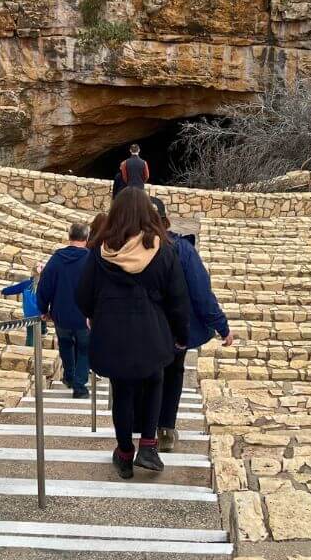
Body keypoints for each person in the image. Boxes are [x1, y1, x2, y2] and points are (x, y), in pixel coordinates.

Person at [76, 188, 189, 479]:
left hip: (113, 335)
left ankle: (125, 453)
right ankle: (148, 446)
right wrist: (181, 334)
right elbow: (177, 298)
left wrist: (95, 314)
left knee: (122, 392)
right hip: (153, 333)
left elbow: (83, 295)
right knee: (155, 382)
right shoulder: (163, 250)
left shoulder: (101, 252)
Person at [153, 203, 234, 452]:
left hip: (141, 327)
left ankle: (142, 426)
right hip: (176, 328)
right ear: (165, 221)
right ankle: (165, 428)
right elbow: (201, 292)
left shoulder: (124, 248)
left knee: (147, 374)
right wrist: (221, 326)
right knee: (173, 373)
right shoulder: (182, 250)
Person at [37, 222, 91, 399]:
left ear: (69, 236)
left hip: (61, 314)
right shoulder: (91, 260)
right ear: (86, 237)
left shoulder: (57, 259)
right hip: (85, 316)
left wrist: (43, 309)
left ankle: (69, 376)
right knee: (84, 349)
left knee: (66, 345)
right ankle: (80, 386)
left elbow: (45, 286)